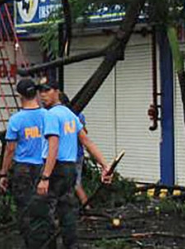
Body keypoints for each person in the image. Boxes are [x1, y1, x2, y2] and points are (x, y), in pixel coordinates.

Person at [36, 79, 114, 249]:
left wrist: (45, 177)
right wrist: (105, 165)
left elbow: (53, 146)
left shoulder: (51, 115)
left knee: (45, 212)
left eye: (47, 90)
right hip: (69, 168)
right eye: (40, 91)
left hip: (55, 168)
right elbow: (87, 141)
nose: (42, 95)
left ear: (57, 91)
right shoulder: (69, 114)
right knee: (67, 211)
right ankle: (71, 245)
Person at [0, 78, 51, 248]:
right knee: (44, 208)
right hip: (45, 167)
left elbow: (10, 149)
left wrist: (3, 173)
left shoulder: (16, 119)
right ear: (36, 93)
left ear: (20, 95)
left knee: (24, 208)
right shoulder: (47, 116)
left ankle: (30, 243)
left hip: (23, 169)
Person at [59, 93, 88, 205]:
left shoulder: (61, 116)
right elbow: (85, 133)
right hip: (78, 153)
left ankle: (86, 206)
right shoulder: (78, 115)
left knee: (74, 184)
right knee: (75, 183)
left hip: (70, 155)